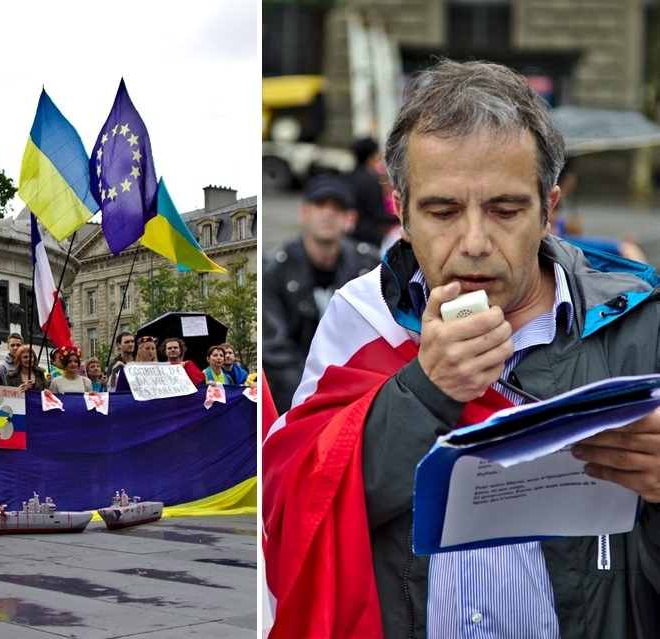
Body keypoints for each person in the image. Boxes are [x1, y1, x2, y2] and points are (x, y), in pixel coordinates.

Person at [263, 58, 660, 639]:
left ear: (549, 210)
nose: (474, 242)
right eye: (443, 211)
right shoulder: (362, 319)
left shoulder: (639, 326)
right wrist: (424, 392)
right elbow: (298, 512)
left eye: (506, 210)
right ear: (401, 211)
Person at [262, 174, 380, 413]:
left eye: (337, 208)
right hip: (297, 393)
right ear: (302, 213)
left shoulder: (370, 265)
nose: (328, 213)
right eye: (320, 205)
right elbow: (275, 350)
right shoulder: (274, 269)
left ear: (350, 219)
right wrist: (316, 395)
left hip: (359, 388)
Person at [346, 136, 396, 249]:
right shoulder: (371, 181)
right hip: (367, 238)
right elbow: (378, 215)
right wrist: (400, 217)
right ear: (371, 157)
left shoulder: (348, 177)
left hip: (348, 235)